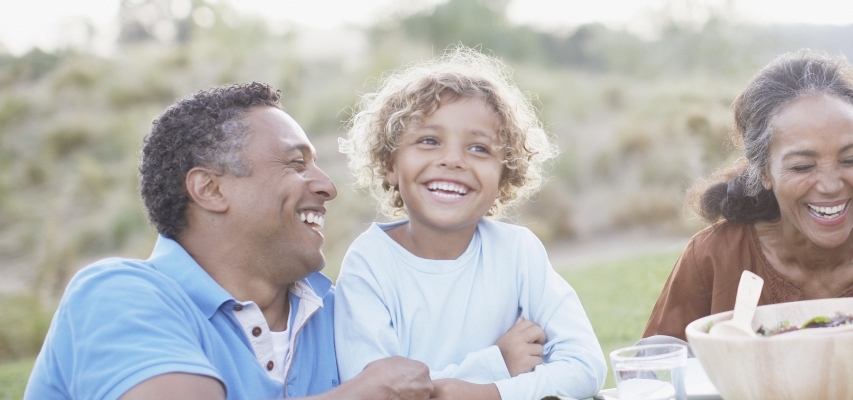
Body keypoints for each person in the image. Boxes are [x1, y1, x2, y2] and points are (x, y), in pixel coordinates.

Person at [24, 82, 434, 399]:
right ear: (210, 189)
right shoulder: (119, 296)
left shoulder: (346, 312)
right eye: (295, 164)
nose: (327, 186)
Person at [333, 47, 605, 400]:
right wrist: (495, 365)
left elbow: (585, 368)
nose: (452, 160)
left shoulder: (518, 251)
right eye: (429, 141)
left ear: (504, 174)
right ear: (391, 163)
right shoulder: (369, 264)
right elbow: (374, 394)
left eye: (478, 149)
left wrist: (489, 392)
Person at [641, 51, 853, 341]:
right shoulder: (714, 259)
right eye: (803, 166)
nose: (831, 185)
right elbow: (656, 372)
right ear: (765, 172)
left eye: (850, 159)